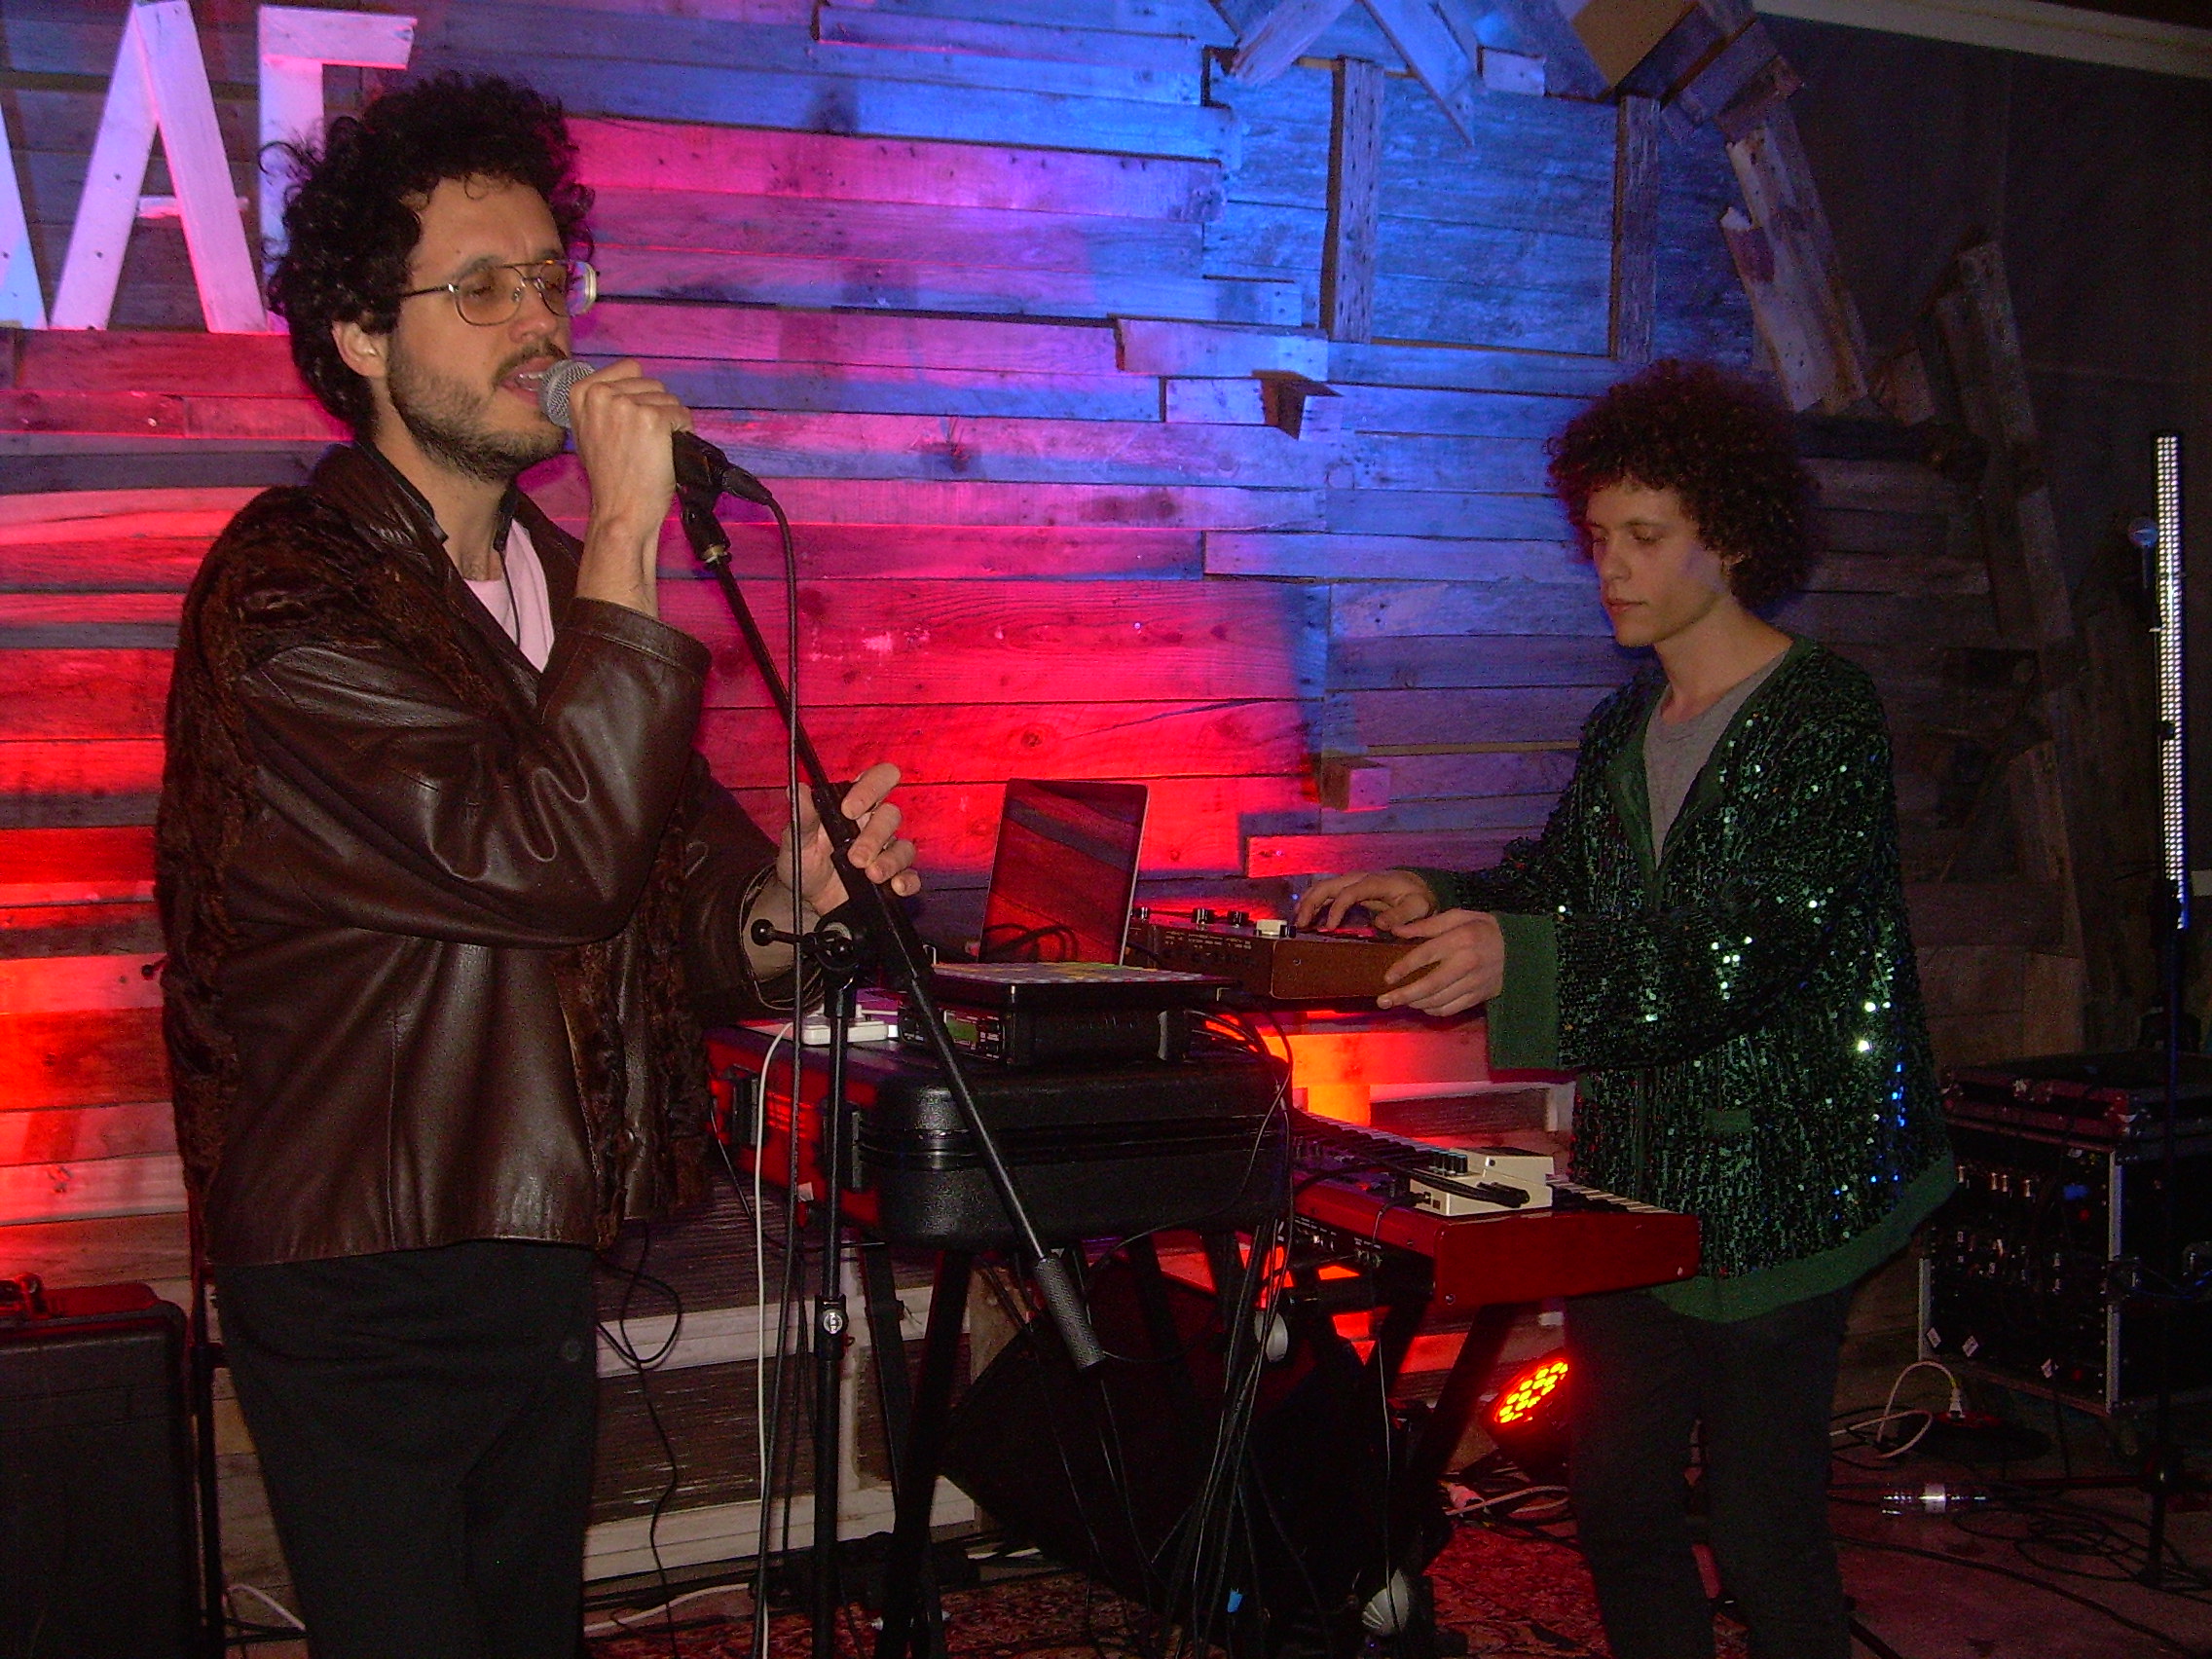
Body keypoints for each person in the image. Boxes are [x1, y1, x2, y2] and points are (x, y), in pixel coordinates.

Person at [156, 75, 918, 1657]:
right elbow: (543, 858)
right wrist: (632, 545)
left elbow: (663, 892)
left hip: (529, 1229)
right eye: (481, 287)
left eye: (551, 280)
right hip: (365, 1247)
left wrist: (781, 908)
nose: (540, 325)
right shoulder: (286, 591)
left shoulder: (559, 584)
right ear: (361, 336)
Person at [1297, 359, 1953, 1659]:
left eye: (1644, 536)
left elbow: (1745, 944)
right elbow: (1562, 885)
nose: (1610, 567)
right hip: (1635, 1185)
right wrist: (1438, 893)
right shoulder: (1625, 722)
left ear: (1735, 536)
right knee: (1619, 1502)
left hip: (1789, 1182)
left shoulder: (1822, 715)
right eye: (1598, 536)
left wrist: (1523, 958)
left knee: (1764, 1535)